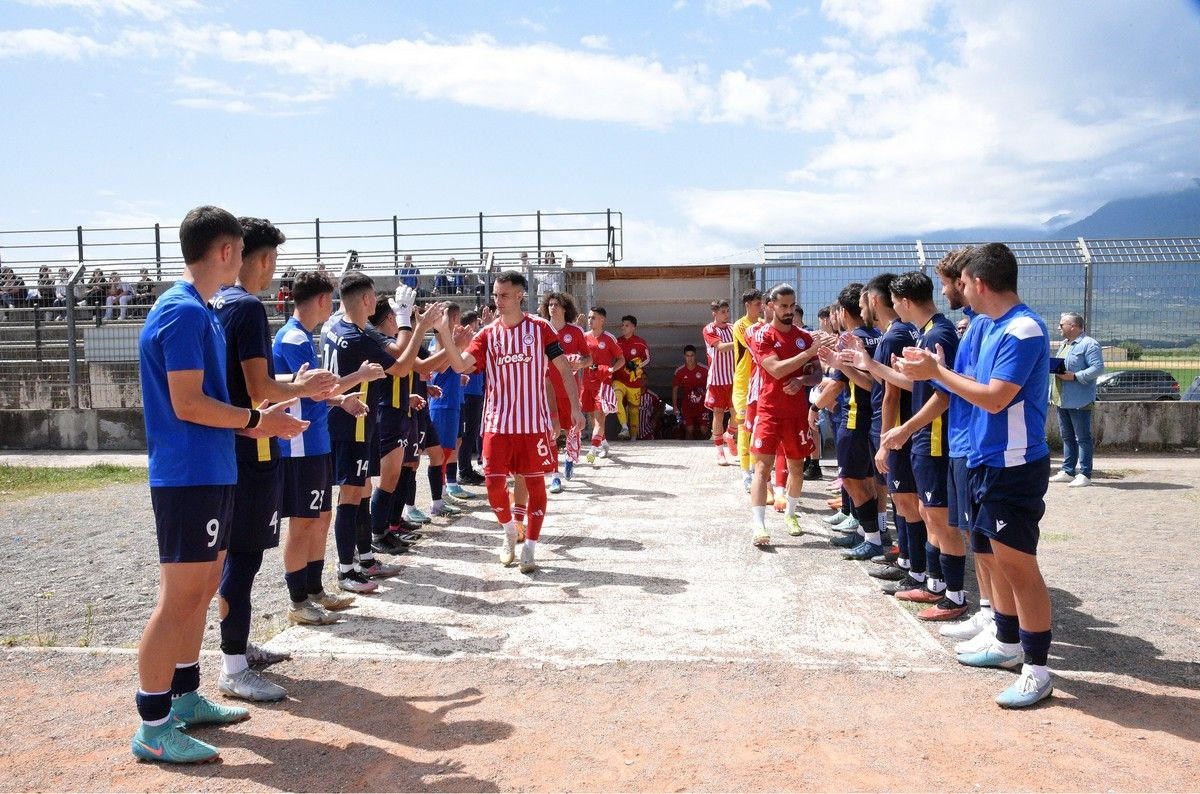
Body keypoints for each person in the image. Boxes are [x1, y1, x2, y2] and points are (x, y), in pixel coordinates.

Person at [131, 205, 306, 764]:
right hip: (187, 476)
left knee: (201, 591)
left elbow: (216, 400)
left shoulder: (203, 310)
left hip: (212, 471)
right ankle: (152, 725)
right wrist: (256, 419)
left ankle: (184, 697)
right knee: (178, 599)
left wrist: (263, 418)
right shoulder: (182, 312)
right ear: (227, 251)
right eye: (244, 251)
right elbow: (187, 403)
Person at [898, 242, 1056, 709]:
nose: (959, 290)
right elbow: (965, 386)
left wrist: (936, 371)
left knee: (1019, 566)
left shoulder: (1023, 329)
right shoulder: (987, 325)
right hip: (985, 460)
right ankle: (1006, 643)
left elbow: (994, 397)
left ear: (980, 283)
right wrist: (931, 372)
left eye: (963, 282)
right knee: (993, 557)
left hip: (1014, 466)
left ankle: (1037, 669)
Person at [210, 216, 341, 704]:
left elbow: (247, 384)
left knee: (235, 557)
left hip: (232, 442)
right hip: (252, 445)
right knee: (243, 557)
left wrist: (299, 386)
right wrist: (301, 388)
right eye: (274, 259)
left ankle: (237, 649)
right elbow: (257, 387)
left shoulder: (216, 302)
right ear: (262, 259)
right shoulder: (245, 306)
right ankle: (233, 666)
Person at [431, 270, 584, 574]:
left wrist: (575, 409)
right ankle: (509, 531)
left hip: (533, 424)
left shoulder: (540, 328)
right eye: (495, 295)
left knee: (536, 484)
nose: (498, 301)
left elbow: (563, 368)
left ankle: (530, 547)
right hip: (497, 424)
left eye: (503, 295)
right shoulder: (487, 334)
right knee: (493, 484)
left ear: (519, 295)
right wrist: (444, 332)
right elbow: (460, 365)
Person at [273, 270, 384, 626]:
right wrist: (358, 378)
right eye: (331, 300)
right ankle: (298, 601)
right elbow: (315, 389)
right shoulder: (293, 338)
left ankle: (315, 590)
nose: (333, 307)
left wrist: (341, 401)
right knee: (303, 522)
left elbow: (317, 393)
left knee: (319, 518)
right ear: (322, 300)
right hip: (300, 443)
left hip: (316, 439)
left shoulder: (304, 336)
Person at [322, 271, 442, 593]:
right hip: (353, 424)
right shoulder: (359, 337)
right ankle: (346, 570)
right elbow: (402, 366)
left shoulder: (337, 326)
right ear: (365, 299)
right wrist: (413, 324)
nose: (376, 300)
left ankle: (365, 559)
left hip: (356, 422)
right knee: (351, 496)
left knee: (360, 494)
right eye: (374, 295)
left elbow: (400, 356)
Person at [878, 270, 966, 620]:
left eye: (895, 302)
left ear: (905, 302)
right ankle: (935, 584)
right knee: (930, 515)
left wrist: (905, 428)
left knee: (941, 520)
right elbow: (924, 385)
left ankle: (953, 595)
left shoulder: (938, 334)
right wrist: (881, 366)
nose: (894, 308)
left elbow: (944, 395)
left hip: (934, 440)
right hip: (925, 439)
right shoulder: (927, 332)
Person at [747, 284, 829, 545]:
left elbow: (817, 373)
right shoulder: (763, 336)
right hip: (769, 411)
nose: (789, 311)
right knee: (762, 468)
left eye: (792, 306)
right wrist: (808, 353)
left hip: (796, 413)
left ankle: (791, 514)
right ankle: (759, 525)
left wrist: (803, 380)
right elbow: (775, 369)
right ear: (770, 306)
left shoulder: (803, 336)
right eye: (783, 306)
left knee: (796, 467)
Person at [817, 284, 880, 550]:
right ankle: (867, 532)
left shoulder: (850, 340)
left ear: (842, 312)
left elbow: (838, 382)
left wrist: (814, 408)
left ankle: (872, 537)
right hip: (875, 417)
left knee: (852, 480)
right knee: (867, 479)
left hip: (854, 417)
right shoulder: (878, 335)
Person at [538, 291, 591, 490]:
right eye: (550, 304)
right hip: (547, 391)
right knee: (550, 432)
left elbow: (589, 357)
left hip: (569, 391)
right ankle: (555, 475)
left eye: (557, 305)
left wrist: (580, 364)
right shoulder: (541, 330)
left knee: (571, 431)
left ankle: (569, 457)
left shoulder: (575, 331)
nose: (553, 308)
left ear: (565, 308)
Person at [1049, 311, 1104, 487]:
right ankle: (1068, 471)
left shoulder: (1089, 344)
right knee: (1067, 436)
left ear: (1073, 326)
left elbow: (1097, 368)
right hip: (1062, 399)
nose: (1059, 328)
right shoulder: (1065, 344)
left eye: (1061, 325)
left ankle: (1085, 474)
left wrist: (1075, 376)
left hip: (1079, 400)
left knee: (1082, 438)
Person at [581, 306, 624, 463]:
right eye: (589, 317)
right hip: (587, 384)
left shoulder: (609, 338)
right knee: (594, 420)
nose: (590, 320)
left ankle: (592, 451)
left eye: (593, 317)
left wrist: (611, 369)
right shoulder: (584, 337)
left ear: (602, 320)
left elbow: (621, 359)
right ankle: (604, 445)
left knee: (600, 419)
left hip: (603, 386)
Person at [731, 289, 764, 489]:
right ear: (747, 305)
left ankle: (755, 468)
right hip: (743, 384)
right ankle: (746, 473)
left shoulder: (763, 324)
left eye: (762, 303)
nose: (761, 307)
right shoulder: (740, 325)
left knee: (759, 426)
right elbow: (755, 345)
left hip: (760, 383)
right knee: (744, 427)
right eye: (757, 304)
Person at [702, 299, 736, 465]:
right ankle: (719, 451)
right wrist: (740, 342)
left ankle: (729, 434)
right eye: (723, 312)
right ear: (714, 313)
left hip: (734, 378)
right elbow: (721, 347)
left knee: (738, 413)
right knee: (718, 413)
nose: (726, 315)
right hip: (717, 378)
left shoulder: (733, 328)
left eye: (727, 311)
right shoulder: (709, 329)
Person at [457, 311, 487, 486]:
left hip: (475, 391)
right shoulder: (463, 339)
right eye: (477, 323)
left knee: (472, 432)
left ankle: (466, 468)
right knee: (467, 433)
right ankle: (463, 471)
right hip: (468, 392)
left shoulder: (473, 339)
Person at [614, 314, 651, 441]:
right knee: (616, 398)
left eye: (626, 325)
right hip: (619, 379)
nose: (623, 327)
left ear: (633, 327)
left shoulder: (640, 342)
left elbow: (647, 359)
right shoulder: (616, 342)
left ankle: (633, 438)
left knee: (634, 410)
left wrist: (636, 365)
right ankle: (624, 427)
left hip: (634, 382)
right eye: (622, 325)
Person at [672, 345, 709, 440]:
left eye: (692, 355)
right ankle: (689, 448)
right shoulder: (679, 371)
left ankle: (704, 447)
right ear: (684, 356)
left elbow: (711, 385)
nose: (690, 358)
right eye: (687, 356)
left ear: (695, 356)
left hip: (702, 405)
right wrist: (675, 406)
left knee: (704, 430)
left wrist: (706, 393)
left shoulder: (705, 369)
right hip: (687, 405)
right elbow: (675, 389)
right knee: (689, 429)